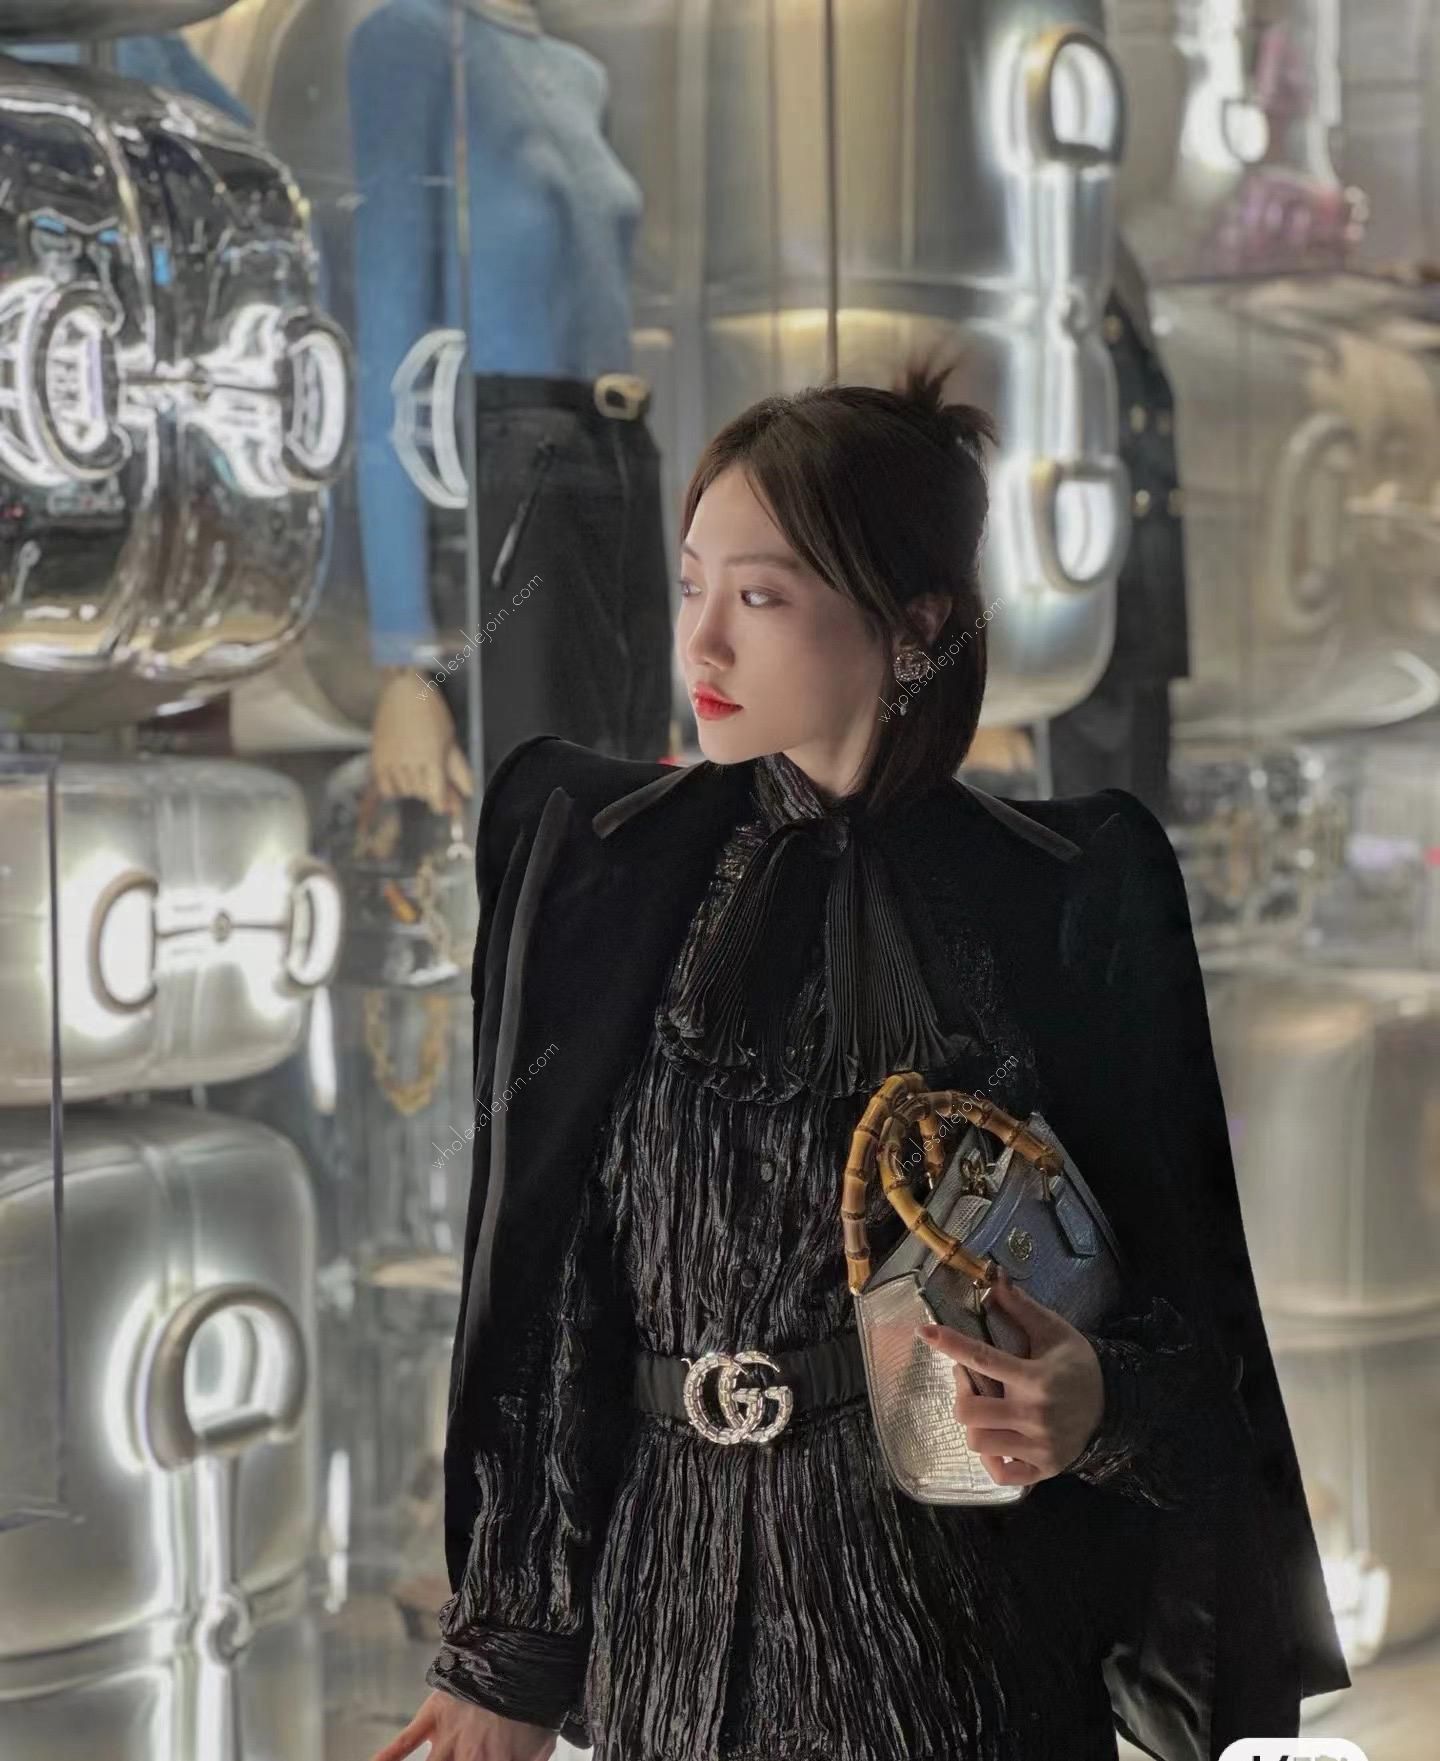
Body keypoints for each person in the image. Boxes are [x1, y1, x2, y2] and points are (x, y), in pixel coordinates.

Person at [369, 352, 1350, 1761]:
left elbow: (1193, 1327)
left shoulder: (1063, 900)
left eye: (761, 598)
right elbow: (554, 1297)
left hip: (959, 1655)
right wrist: (508, 1659)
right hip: (670, 1646)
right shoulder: (598, 873)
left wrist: (1096, 1402)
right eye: (691, 584)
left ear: (914, 626)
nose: (702, 645)